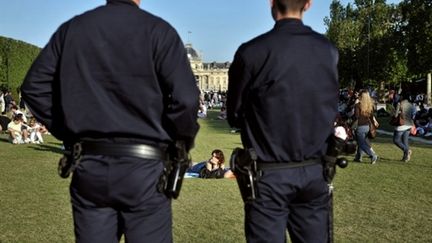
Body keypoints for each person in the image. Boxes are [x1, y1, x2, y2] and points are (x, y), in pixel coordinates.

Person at [21, 0, 200, 242]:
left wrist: (69, 132)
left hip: (90, 163)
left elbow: (33, 88)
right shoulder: (159, 30)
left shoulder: (73, 28)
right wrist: (181, 140)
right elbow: (187, 99)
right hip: (145, 168)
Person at [227, 0, 339, 242]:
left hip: (269, 173)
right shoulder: (327, 50)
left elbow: (234, 114)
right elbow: (330, 104)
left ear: (271, 3)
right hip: (313, 169)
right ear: (308, 4)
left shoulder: (252, 52)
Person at [353, 90, 379, 164]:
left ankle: (373, 155)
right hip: (367, 126)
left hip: (360, 126)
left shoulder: (357, 105)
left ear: (361, 96)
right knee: (361, 142)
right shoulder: (369, 105)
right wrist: (374, 123)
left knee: (361, 143)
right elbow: (371, 117)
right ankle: (358, 157)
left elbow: (356, 116)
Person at [392, 92, 416, 162]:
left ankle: (407, 150)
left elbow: (396, 115)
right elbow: (413, 115)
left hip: (401, 125)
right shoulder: (411, 105)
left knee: (396, 140)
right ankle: (405, 157)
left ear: (402, 96)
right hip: (409, 124)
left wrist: (393, 112)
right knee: (405, 142)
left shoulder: (400, 104)